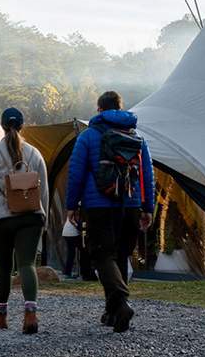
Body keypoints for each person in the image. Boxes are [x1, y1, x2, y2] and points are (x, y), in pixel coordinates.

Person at [66, 91, 155, 333]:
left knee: (102, 256)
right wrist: (148, 208)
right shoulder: (137, 137)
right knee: (119, 257)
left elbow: (76, 173)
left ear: (99, 110)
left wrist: (71, 205)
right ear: (120, 108)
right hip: (131, 206)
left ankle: (122, 302)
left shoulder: (88, 136)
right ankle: (113, 312)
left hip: (99, 207)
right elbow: (147, 175)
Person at [0, 107, 48, 334]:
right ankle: (31, 314)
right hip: (31, 217)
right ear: (22, 126)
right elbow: (43, 189)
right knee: (27, 264)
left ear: (2, 126)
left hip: (0, 219)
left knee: (3, 268)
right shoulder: (35, 153)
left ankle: (1, 316)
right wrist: (43, 218)